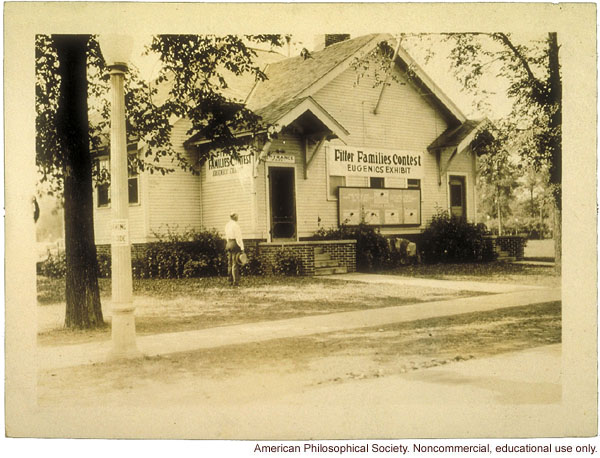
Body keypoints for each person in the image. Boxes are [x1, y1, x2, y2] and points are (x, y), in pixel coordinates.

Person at [224, 212, 244, 286]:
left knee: (230, 263)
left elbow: (226, 236)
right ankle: (235, 281)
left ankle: (230, 280)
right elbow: (238, 237)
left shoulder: (227, 225)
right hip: (234, 243)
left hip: (228, 243)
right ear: (234, 217)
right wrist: (242, 247)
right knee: (235, 263)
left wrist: (228, 243)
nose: (238, 217)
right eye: (237, 216)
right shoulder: (236, 225)